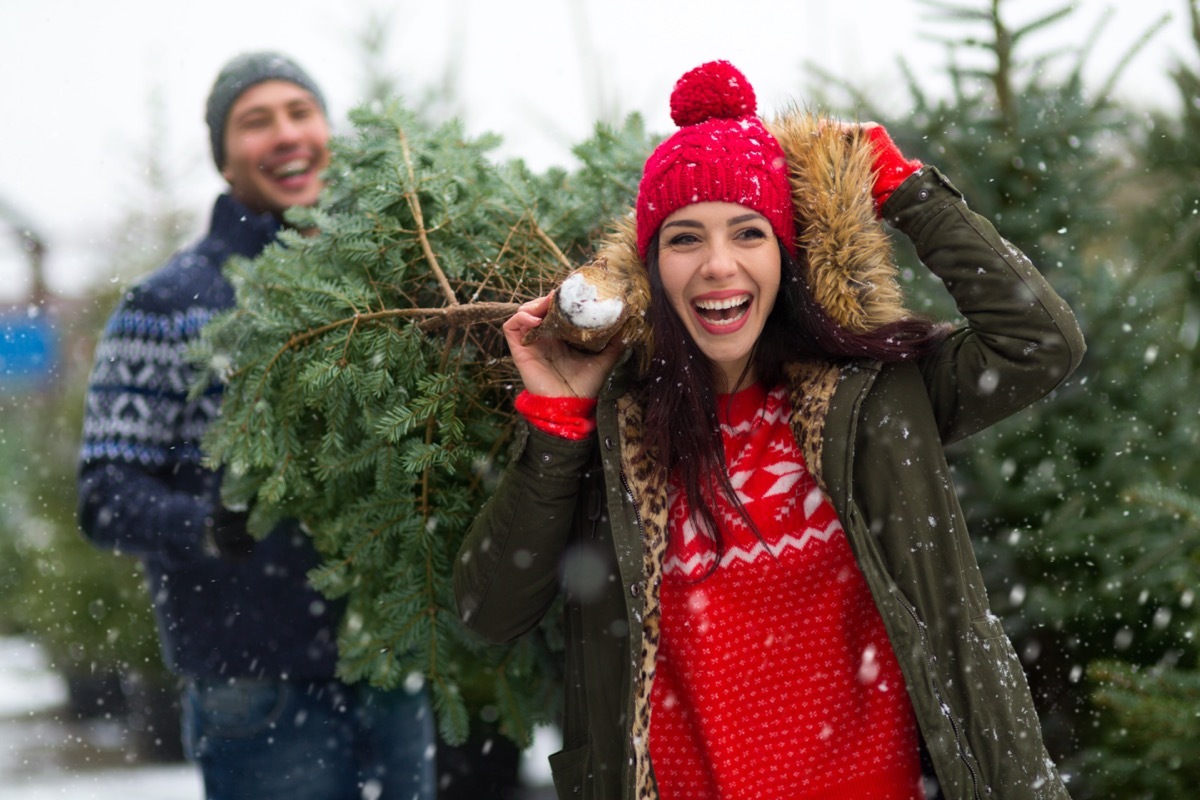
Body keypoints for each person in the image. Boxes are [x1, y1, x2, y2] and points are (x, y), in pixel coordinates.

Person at [454, 60, 1085, 800]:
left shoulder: (874, 398)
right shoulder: (619, 433)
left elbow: (1040, 342)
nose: (718, 266)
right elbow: (489, 611)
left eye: (747, 233)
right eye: (684, 239)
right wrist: (558, 425)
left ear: (784, 256)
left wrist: (906, 190)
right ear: (653, 269)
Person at [77, 51, 436, 800]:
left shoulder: (390, 287)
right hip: (257, 682)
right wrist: (210, 524)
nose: (286, 135)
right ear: (224, 157)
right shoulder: (170, 304)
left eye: (300, 113)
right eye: (256, 121)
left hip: (392, 667)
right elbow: (105, 493)